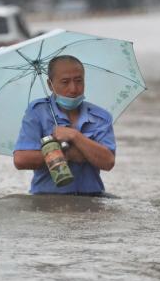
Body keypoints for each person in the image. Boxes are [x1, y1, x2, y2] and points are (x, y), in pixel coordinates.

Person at [13, 55, 116, 195]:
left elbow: (108, 161)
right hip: (47, 200)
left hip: (92, 200)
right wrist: (67, 153)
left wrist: (74, 136)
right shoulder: (37, 112)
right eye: (65, 82)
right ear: (50, 84)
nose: (73, 89)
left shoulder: (100, 117)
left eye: (79, 81)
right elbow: (21, 159)